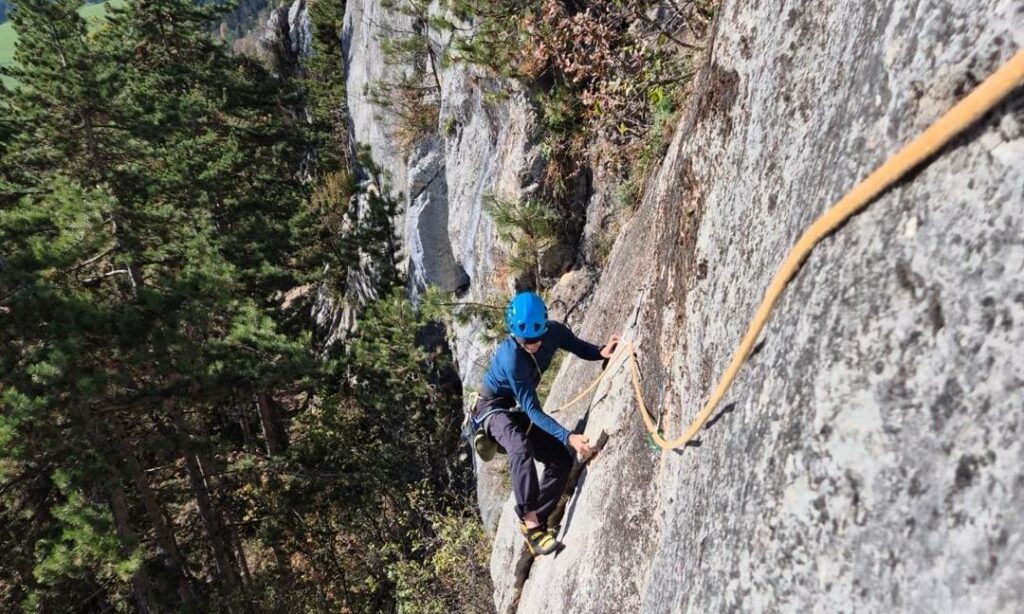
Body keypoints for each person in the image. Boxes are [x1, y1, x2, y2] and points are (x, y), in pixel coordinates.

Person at [474, 291, 619, 555]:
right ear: (515, 335)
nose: (533, 344)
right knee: (519, 447)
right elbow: (531, 409)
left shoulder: (553, 333)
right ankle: (530, 525)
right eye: (526, 340)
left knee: (560, 460)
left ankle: (538, 519)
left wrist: (601, 352)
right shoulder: (512, 358)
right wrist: (568, 436)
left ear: (544, 328)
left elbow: (577, 346)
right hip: (492, 410)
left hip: (513, 410)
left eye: (537, 338)